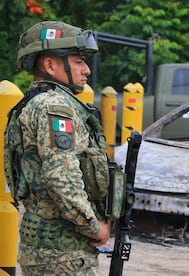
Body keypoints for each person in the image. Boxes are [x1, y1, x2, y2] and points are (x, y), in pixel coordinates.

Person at [4, 21, 110, 275]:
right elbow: (62, 177)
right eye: (78, 61)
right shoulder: (55, 107)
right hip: (64, 255)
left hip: (45, 249)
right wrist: (94, 226)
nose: (86, 70)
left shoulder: (34, 103)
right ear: (50, 65)